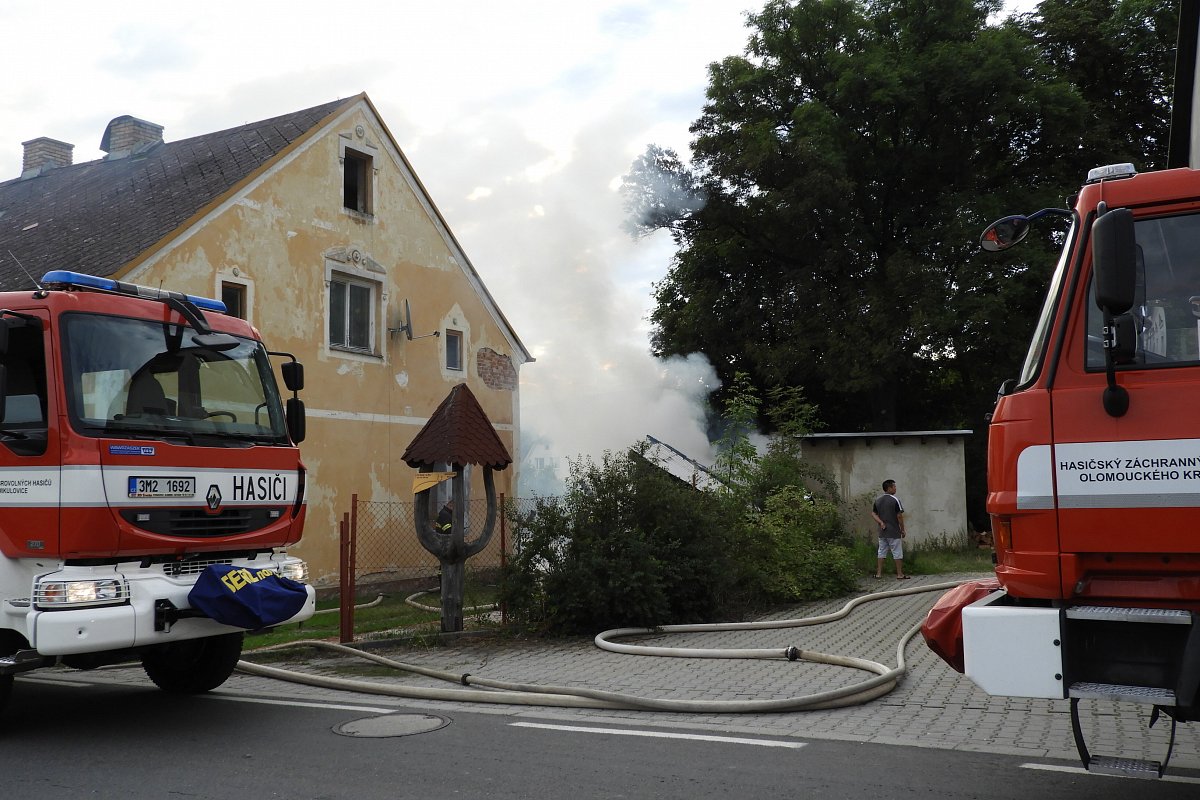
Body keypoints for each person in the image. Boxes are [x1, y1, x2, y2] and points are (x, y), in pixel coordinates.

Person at [871, 479, 908, 580]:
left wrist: (880, 522)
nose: (895, 488)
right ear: (889, 488)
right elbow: (899, 516)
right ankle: (900, 574)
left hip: (882, 532)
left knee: (881, 552)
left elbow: (873, 513)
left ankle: (878, 574)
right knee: (897, 552)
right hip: (893, 531)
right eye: (894, 486)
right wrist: (902, 529)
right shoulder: (895, 500)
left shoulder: (878, 500)